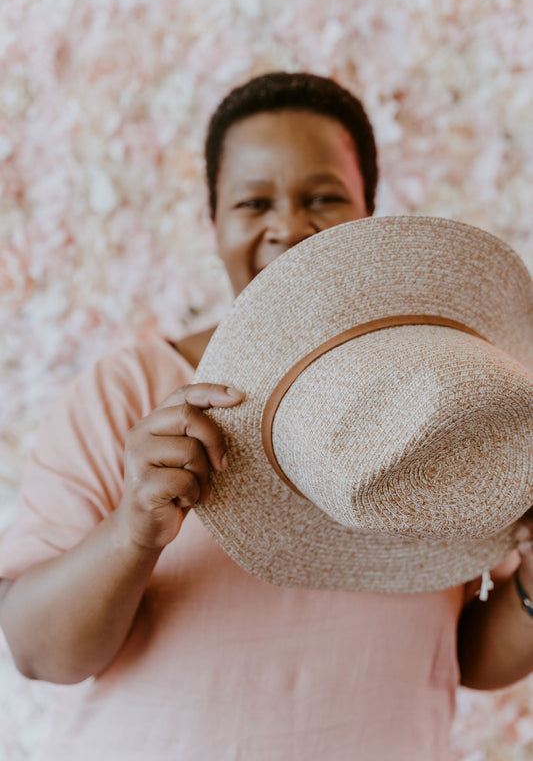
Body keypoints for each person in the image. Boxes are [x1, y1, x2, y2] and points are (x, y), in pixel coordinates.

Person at [0, 71, 532, 761]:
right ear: (214, 221)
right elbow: (40, 653)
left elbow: (460, 657)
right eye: (253, 202)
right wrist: (134, 530)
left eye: (322, 198)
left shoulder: (443, 398)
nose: (287, 226)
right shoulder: (130, 391)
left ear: (367, 213)